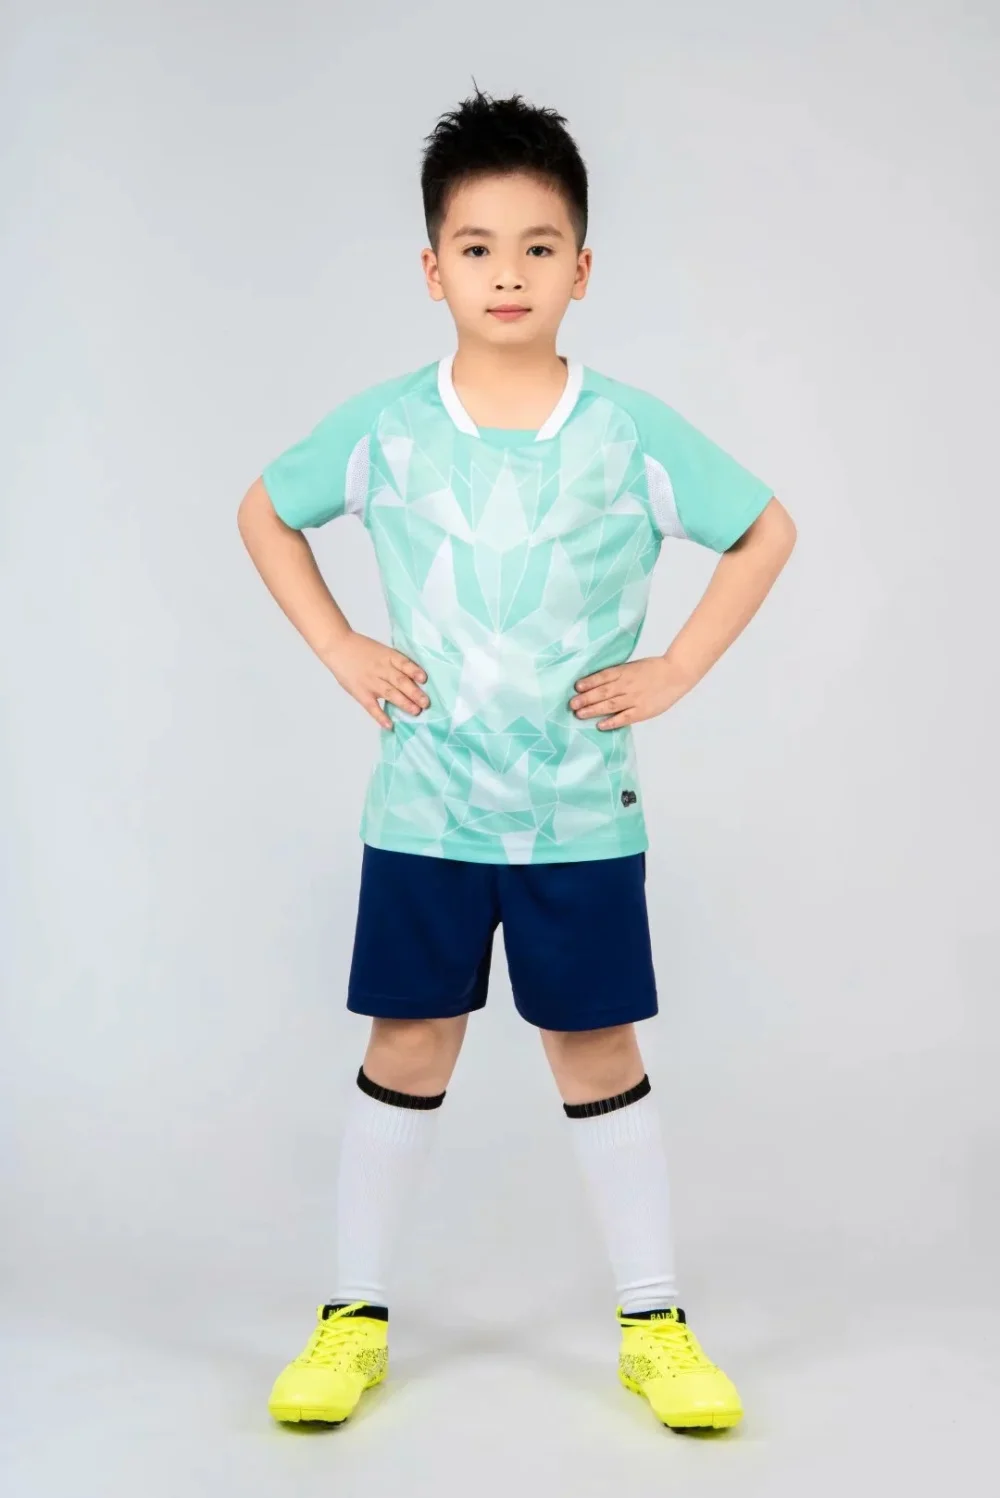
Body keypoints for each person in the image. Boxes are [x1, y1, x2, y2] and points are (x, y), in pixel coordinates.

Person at [237, 86, 796, 1434]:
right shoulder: (391, 426)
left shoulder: (626, 432)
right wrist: (339, 645)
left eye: (539, 246)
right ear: (433, 268)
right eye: (477, 246)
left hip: (579, 817)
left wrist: (676, 668)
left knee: (595, 1045)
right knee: (409, 1039)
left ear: (581, 269)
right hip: (424, 813)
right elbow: (265, 510)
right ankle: (353, 1318)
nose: (508, 272)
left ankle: (654, 1324)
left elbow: (763, 529)